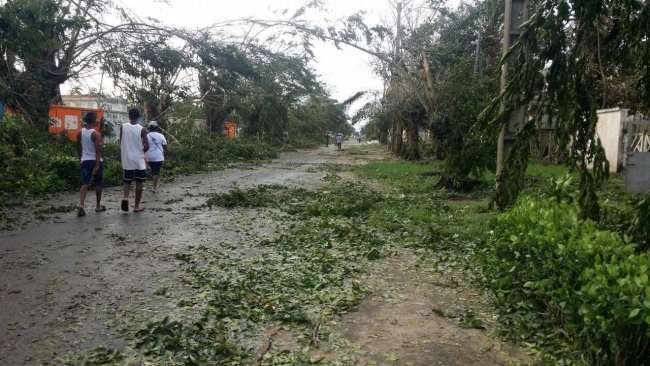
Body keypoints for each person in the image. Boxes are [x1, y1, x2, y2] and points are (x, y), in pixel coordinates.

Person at [76, 112, 105, 216]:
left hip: (84, 160)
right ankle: (98, 206)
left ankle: (81, 204)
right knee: (99, 183)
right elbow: (98, 151)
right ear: (94, 121)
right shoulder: (96, 135)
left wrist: (81, 159)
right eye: (96, 119)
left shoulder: (80, 133)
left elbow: (78, 148)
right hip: (95, 160)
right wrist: (97, 165)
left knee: (85, 183)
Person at [120, 108, 149, 212]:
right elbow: (147, 146)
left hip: (127, 159)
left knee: (127, 182)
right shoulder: (142, 129)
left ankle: (126, 198)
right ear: (138, 116)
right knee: (139, 182)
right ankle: (136, 206)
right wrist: (142, 151)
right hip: (138, 160)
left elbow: (121, 141)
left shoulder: (123, 127)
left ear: (129, 116)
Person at [146, 121, 168, 193]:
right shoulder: (161, 136)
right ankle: (154, 187)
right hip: (158, 157)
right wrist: (167, 154)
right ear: (157, 128)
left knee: (153, 170)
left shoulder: (146, 136)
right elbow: (165, 146)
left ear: (149, 128)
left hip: (149, 157)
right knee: (156, 171)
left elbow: (143, 145)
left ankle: (154, 183)